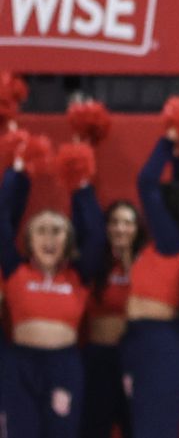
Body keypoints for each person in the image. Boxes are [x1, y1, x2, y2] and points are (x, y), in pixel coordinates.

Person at [0, 150, 104, 437]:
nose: (49, 238)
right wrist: (16, 171)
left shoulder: (78, 275)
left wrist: (81, 181)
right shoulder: (15, 270)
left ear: (68, 241)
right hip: (19, 365)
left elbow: (95, 233)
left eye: (57, 231)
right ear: (29, 241)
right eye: (41, 231)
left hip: (64, 366)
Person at [121, 133, 179, 438]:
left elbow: (146, 182)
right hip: (148, 341)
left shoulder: (170, 242)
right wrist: (177, 153)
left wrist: (167, 139)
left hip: (158, 345)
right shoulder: (170, 242)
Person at [82, 201, 145, 438]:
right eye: (115, 222)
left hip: (135, 359)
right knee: (93, 428)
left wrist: (130, 261)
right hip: (100, 357)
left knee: (136, 427)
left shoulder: (147, 264)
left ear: (137, 228)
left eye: (128, 222)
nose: (120, 228)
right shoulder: (94, 263)